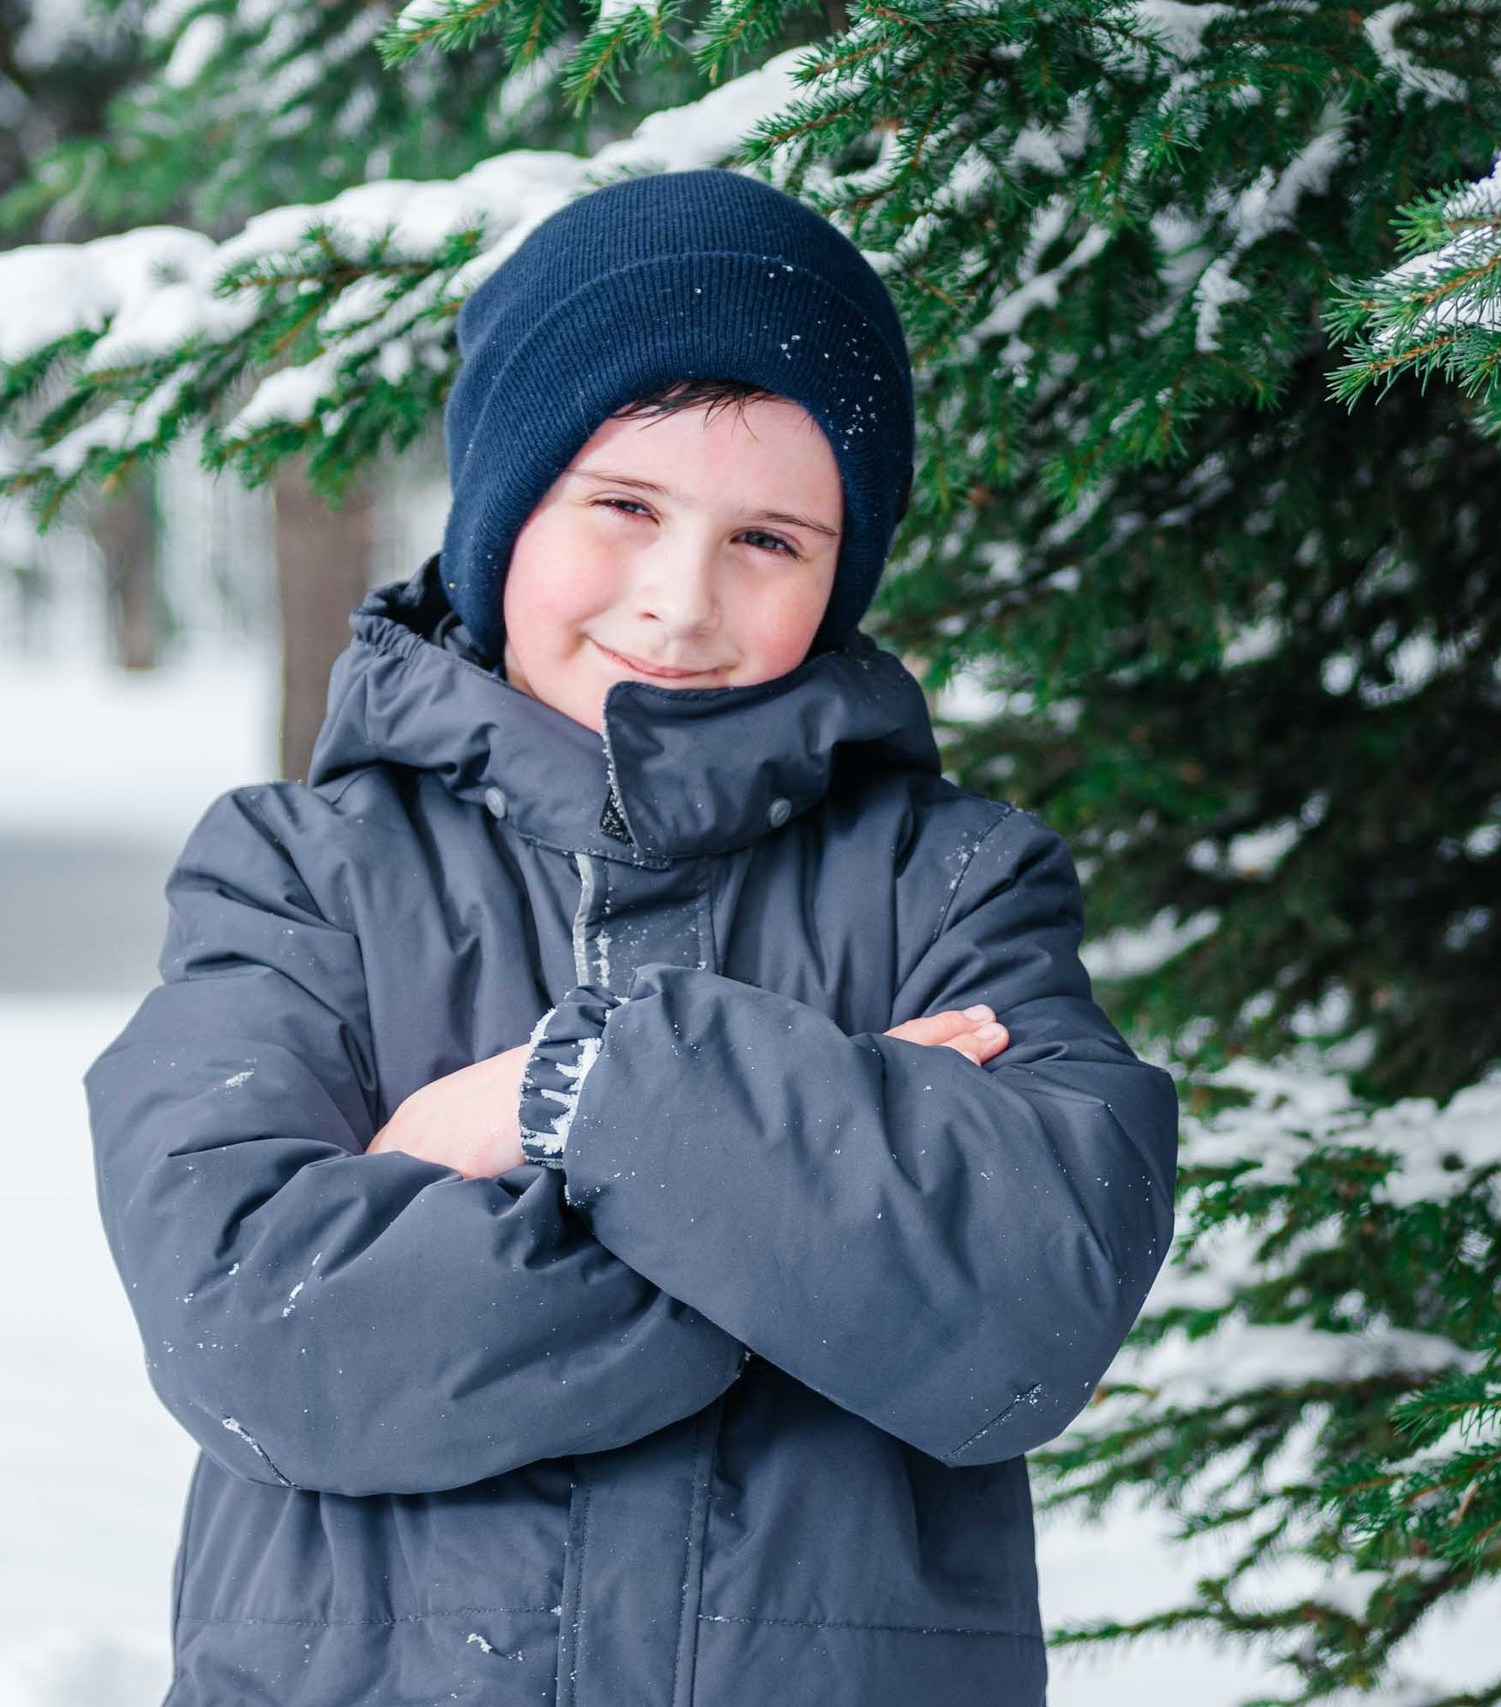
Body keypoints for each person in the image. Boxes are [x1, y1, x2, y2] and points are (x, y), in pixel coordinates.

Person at [83, 166, 1179, 1707]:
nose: (679, 602)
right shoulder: (299, 876)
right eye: (624, 507)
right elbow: (264, 1336)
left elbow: (1027, 1312)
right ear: (505, 504)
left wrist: (571, 1086)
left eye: (769, 540)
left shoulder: (954, 883)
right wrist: (805, 1220)